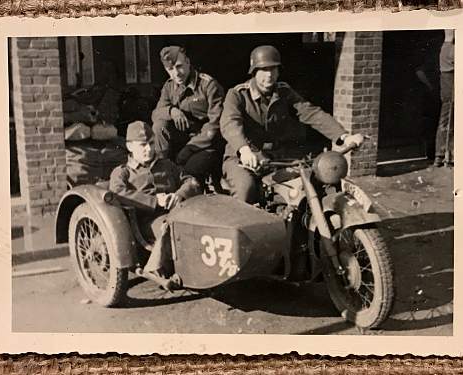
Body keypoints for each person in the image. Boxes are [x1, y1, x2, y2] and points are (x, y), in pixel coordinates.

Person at [220, 45, 364, 204]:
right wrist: (244, 149)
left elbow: (311, 113)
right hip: (242, 160)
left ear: (278, 71)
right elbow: (230, 123)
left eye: (273, 69)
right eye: (263, 69)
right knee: (245, 190)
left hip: (276, 158)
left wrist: (343, 136)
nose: (269, 75)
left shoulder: (284, 92)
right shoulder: (237, 94)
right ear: (253, 72)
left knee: (310, 183)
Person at [109, 120, 202, 288]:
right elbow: (118, 193)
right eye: (142, 145)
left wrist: (179, 194)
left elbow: (191, 181)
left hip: (178, 211)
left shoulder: (167, 165)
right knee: (170, 227)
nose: (148, 149)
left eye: (151, 143)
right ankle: (156, 268)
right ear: (130, 147)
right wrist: (154, 201)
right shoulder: (123, 172)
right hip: (147, 221)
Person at [151, 46, 225, 186]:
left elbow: (216, 124)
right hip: (182, 143)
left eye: (179, 66)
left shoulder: (208, 85)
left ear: (188, 62)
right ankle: (163, 167)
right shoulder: (169, 87)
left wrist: (190, 148)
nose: (176, 74)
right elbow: (156, 114)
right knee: (160, 125)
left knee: (189, 173)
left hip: (205, 144)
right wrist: (172, 111)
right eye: (170, 70)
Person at [434, 30, 454, 167]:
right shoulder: (450, 49)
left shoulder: (446, 48)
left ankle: (441, 155)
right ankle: (443, 155)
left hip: (448, 94)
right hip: (450, 94)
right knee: (448, 121)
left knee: (446, 121)